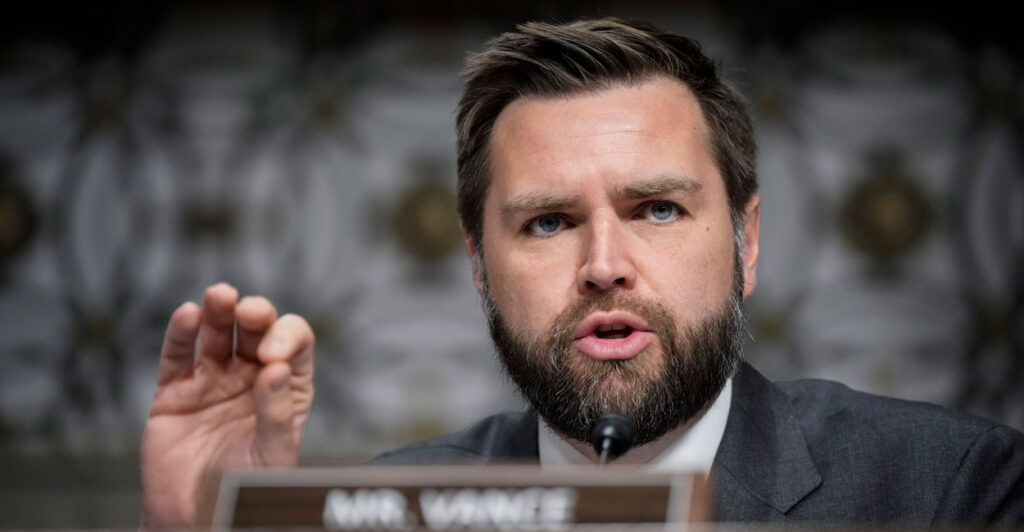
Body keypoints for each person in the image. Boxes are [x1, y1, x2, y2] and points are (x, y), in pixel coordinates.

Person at [140, 18, 1024, 527]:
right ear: (480, 268)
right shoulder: (400, 512)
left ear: (747, 243)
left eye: (658, 211)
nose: (604, 267)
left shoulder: (950, 488)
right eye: (550, 222)